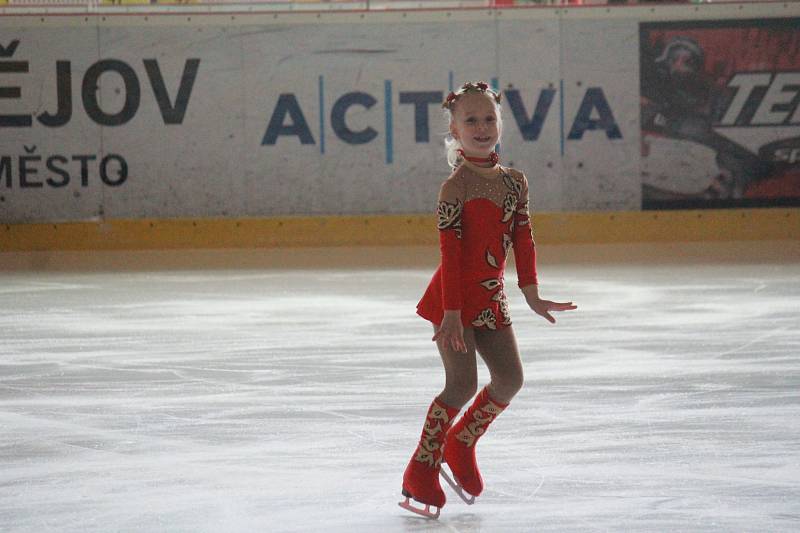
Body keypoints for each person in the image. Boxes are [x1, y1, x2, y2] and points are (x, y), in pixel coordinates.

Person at [398, 81, 577, 519]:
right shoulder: (453, 189)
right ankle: (420, 467)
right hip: (452, 300)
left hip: (490, 298)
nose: (481, 127)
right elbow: (450, 253)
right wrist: (453, 315)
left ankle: (461, 443)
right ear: (455, 132)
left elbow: (523, 239)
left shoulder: (515, 183)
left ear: (500, 124)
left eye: (489, 118)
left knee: (510, 379)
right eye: (470, 120)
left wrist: (531, 293)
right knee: (459, 384)